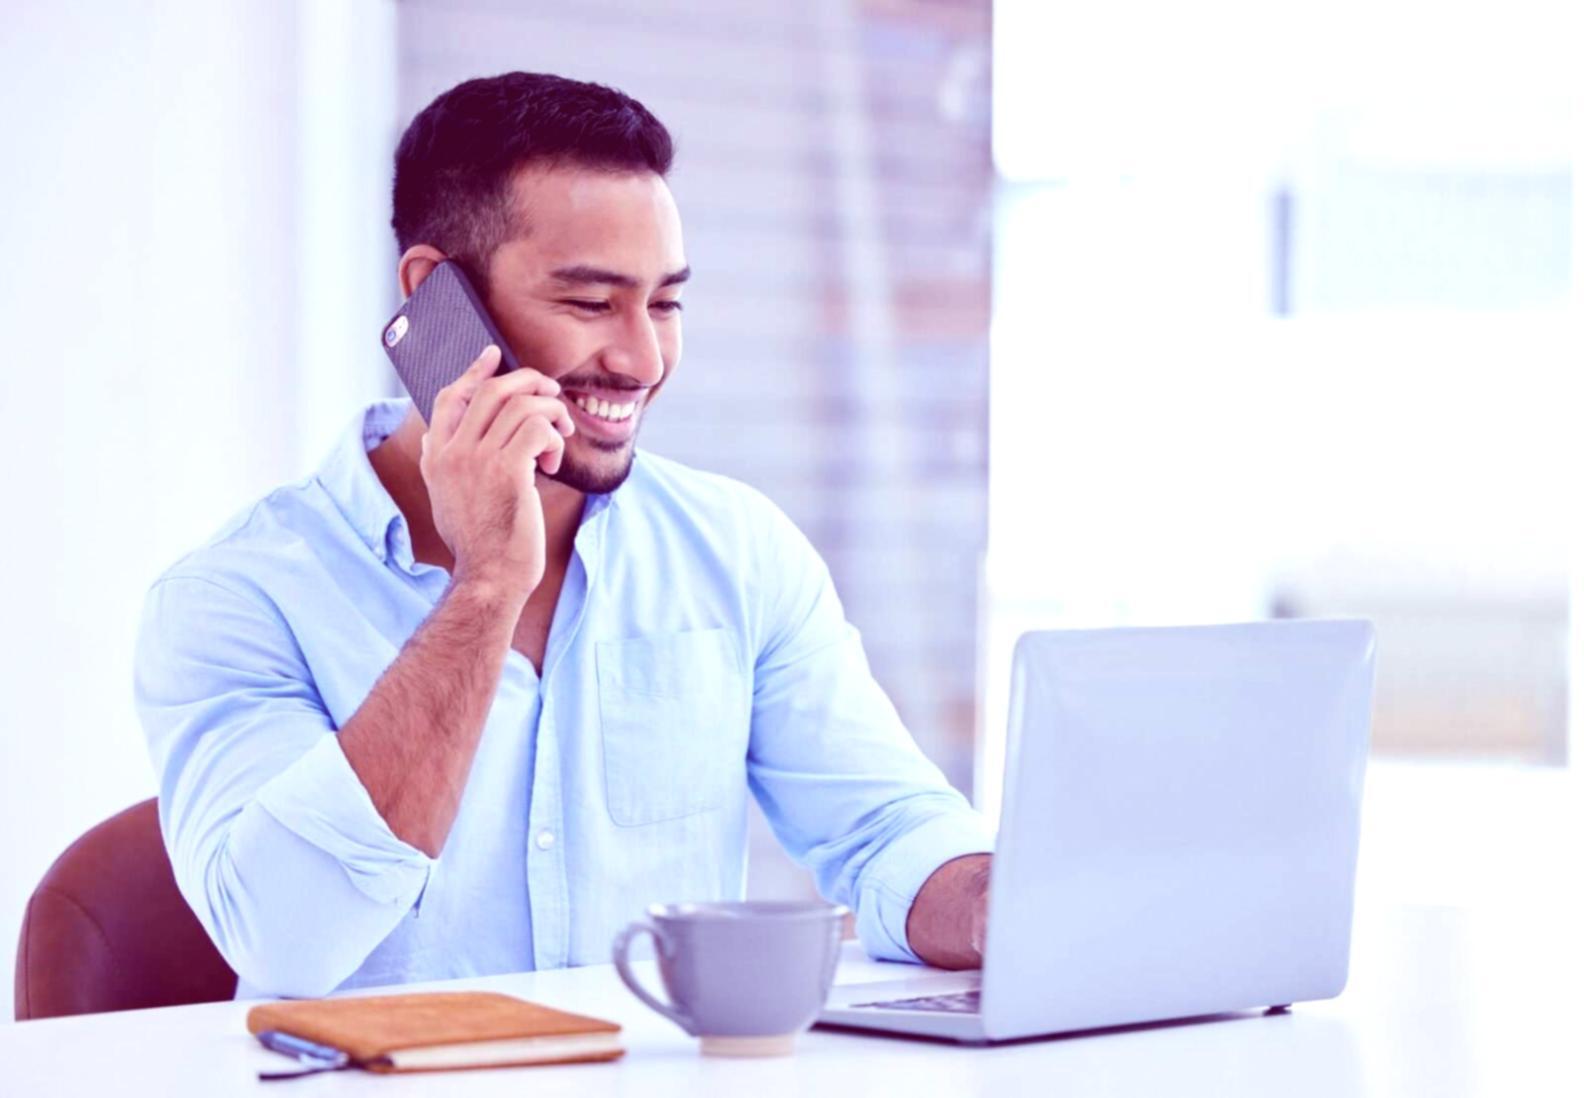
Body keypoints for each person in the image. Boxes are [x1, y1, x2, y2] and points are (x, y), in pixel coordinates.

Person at [134, 72, 993, 1000]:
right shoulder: (236, 596)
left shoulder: (737, 551)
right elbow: (286, 941)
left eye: (664, 303)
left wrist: (1001, 901)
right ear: (435, 297)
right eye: (590, 305)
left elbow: (886, 832)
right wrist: (486, 588)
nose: (643, 360)